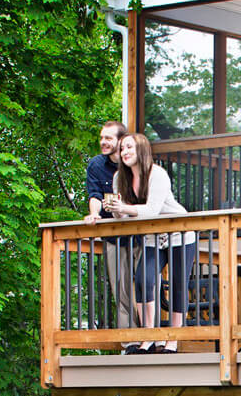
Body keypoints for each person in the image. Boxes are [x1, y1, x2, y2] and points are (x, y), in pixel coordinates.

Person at [109, 133, 196, 354]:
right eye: (122, 148)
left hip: (179, 233)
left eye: (129, 147)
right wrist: (115, 209)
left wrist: (125, 208)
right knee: (143, 279)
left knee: (178, 285)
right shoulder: (120, 178)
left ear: (142, 150)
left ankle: (173, 340)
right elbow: (123, 217)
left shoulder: (157, 174)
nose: (124, 152)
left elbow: (151, 210)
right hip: (152, 236)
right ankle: (149, 337)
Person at [83, 121, 135, 329]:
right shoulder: (96, 165)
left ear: (121, 140)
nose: (103, 142)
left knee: (145, 285)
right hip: (113, 235)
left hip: (140, 233)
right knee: (120, 288)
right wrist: (94, 214)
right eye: (101, 138)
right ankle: (129, 339)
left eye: (108, 138)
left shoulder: (133, 161)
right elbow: (95, 195)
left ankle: (151, 336)